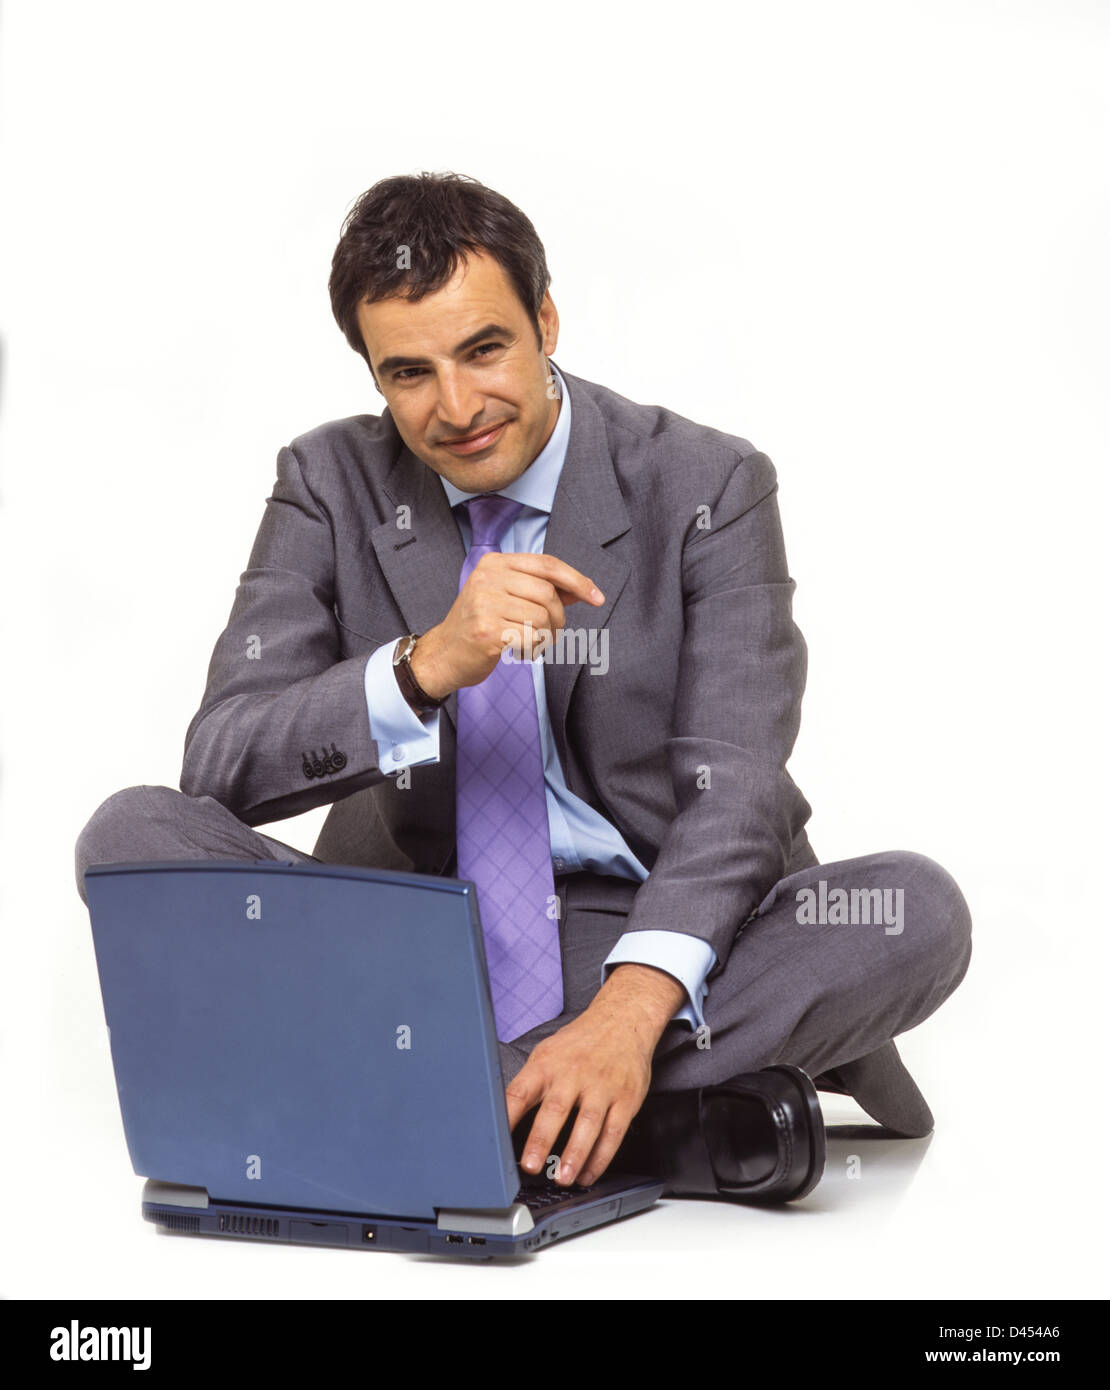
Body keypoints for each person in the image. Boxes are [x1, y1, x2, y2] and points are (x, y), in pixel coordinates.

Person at [74, 171, 972, 1205]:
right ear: (371, 373)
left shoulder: (707, 485)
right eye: (408, 372)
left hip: (654, 937)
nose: (456, 408)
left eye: (485, 349)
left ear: (546, 319)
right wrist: (422, 669)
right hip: (420, 953)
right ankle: (649, 1126)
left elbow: (741, 789)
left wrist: (630, 1013)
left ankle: (465, 1103)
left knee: (911, 909)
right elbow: (220, 764)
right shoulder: (328, 483)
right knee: (127, 837)